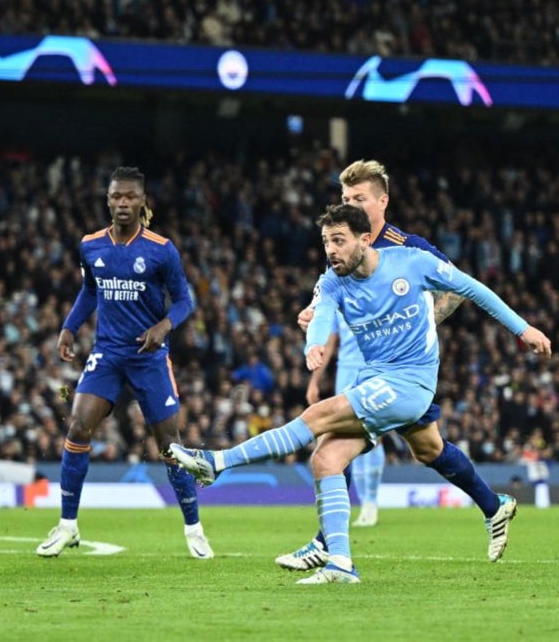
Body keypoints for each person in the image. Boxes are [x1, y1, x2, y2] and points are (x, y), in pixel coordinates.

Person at [172, 203, 551, 584]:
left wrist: (523, 330)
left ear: (365, 239)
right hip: (375, 380)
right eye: (325, 242)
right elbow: (321, 314)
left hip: (411, 383)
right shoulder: (333, 280)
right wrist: (314, 345)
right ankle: (341, 563)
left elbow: (473, 288)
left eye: (339, 241)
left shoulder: (411, 261)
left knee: (317, 417)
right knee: (328, 459)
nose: (331, 250)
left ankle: (216, 462)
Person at [276, 158, 488, 570]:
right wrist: (313, 313)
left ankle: (328, 544)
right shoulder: (346, 242)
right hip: (363, 365)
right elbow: (329, 297)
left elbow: (459, 287)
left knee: (424, 449)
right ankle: (493, 507)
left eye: (359, 198)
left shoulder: (408, 247)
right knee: (380, 447)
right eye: (345, 197)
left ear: (382, 201)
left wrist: (427, 321)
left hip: (401, 368)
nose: (350, 203)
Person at [36, 166, 213, 559]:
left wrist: (164, 327)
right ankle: (67, 526)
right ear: (108, 200)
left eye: (130, 196)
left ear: (142, 201)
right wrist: (69, 327)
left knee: (169, 446)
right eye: (116, 196)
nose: (122, 203)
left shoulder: (161, 249)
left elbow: (185, 301)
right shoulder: (91, 246)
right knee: (79, 425)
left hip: (149, 357)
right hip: (108, 353)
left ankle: (194, 528)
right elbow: (88, 289)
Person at [306, 313, 386, 528]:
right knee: (347, 437)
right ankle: (365, 503)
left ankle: (371, 502)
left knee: (375, 435)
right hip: (346, 372)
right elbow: (329, 343)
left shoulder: (375, 294)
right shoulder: (338, 302)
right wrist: (315, 382)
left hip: (374, 369)